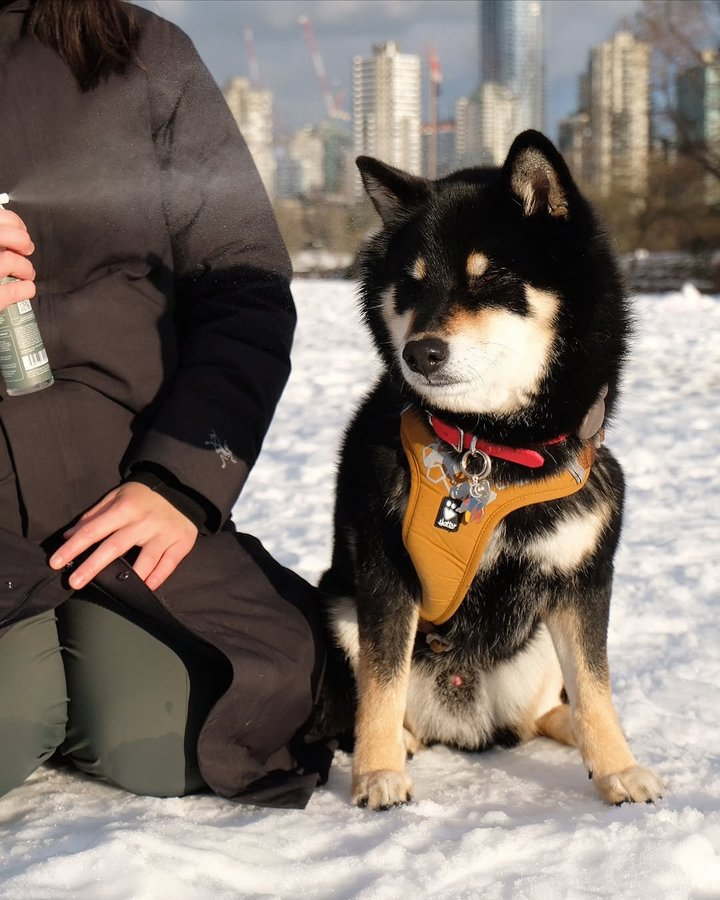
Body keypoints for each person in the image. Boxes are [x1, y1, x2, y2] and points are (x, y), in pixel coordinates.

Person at [0, 0, 330, 808]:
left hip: (121, 489)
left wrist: (181, 483)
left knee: (175, 737)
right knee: (13, 715)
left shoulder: (147, 54)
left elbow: (245, 284)